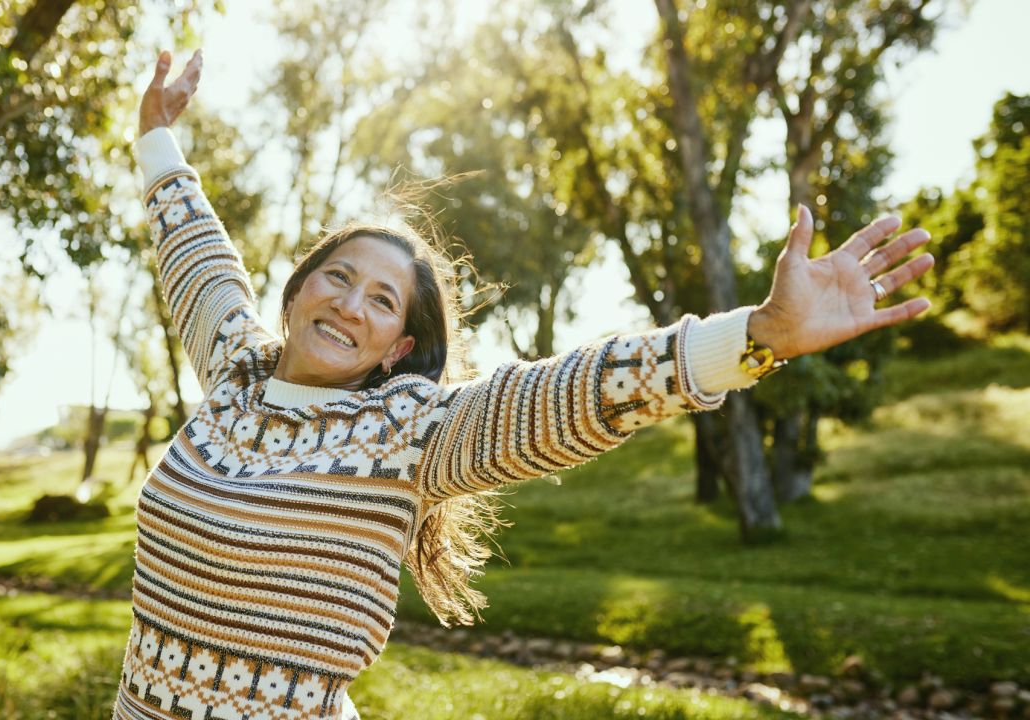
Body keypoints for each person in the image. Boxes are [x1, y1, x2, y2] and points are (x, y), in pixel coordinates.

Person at [112, 50, 935, 720]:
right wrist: (155, 134)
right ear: (297, 292)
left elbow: (571, 393)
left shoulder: (407, 434)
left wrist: (759, 335)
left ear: (399, 348)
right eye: (337, 277)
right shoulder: (235, 369)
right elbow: (195, 249)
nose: (349, 305)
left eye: (382, 301)